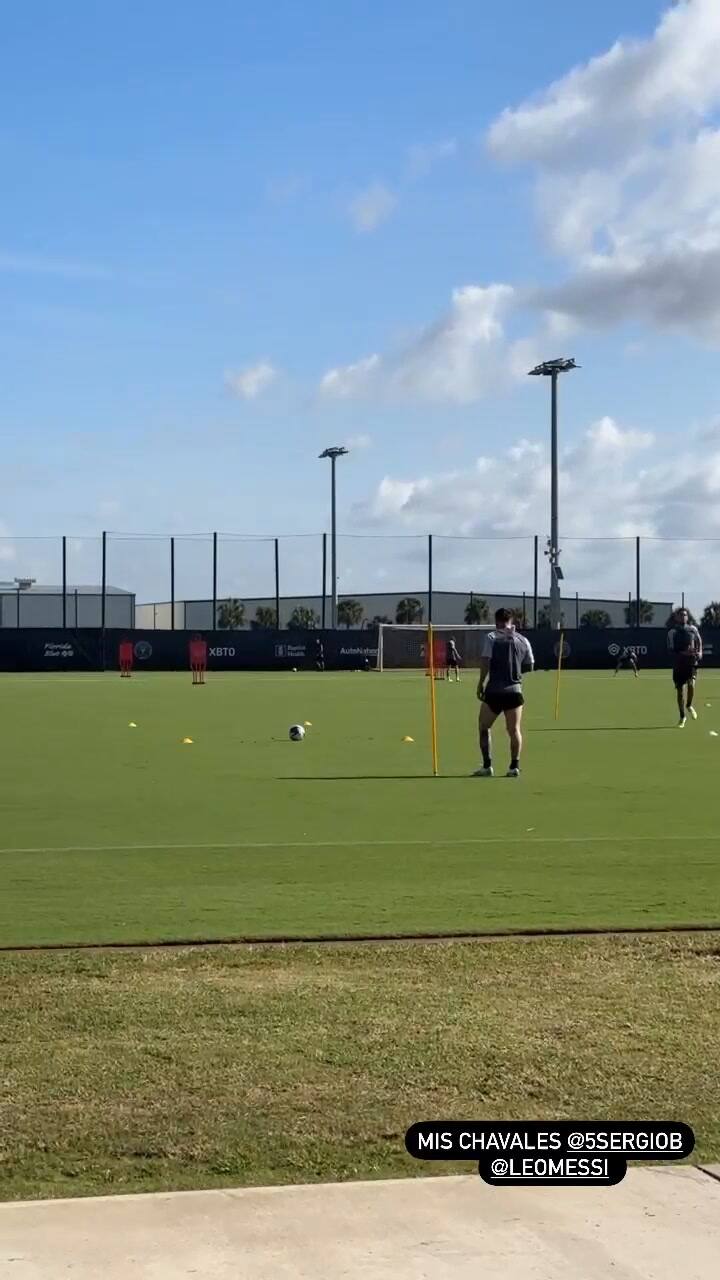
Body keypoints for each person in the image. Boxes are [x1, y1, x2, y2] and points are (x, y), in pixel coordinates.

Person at [474, 608, 534, 778]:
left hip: (494, 691)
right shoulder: (523, 640)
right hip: (514, 691)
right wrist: (515, 671)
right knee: (514, 730)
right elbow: (530, 665)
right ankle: (514, 767)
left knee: (483, 726)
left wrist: (481, 682)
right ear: (511, 621)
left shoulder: (491, 637)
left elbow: (486, 661)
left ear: (496, 621)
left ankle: (487, 766)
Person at [667, 608, 702, 726]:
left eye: (685, 615)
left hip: (691, 663)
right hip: (679, 664)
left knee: (691, 685)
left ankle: (689, 705)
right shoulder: (672, 632)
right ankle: (682, 717)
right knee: (680, 691)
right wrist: (683, 653)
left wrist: (700, 652)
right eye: (681, 615)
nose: (683, 617)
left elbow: (699, 640)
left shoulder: (693, 629)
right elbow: (670, 650)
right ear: (676, 617)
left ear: (687, 617)